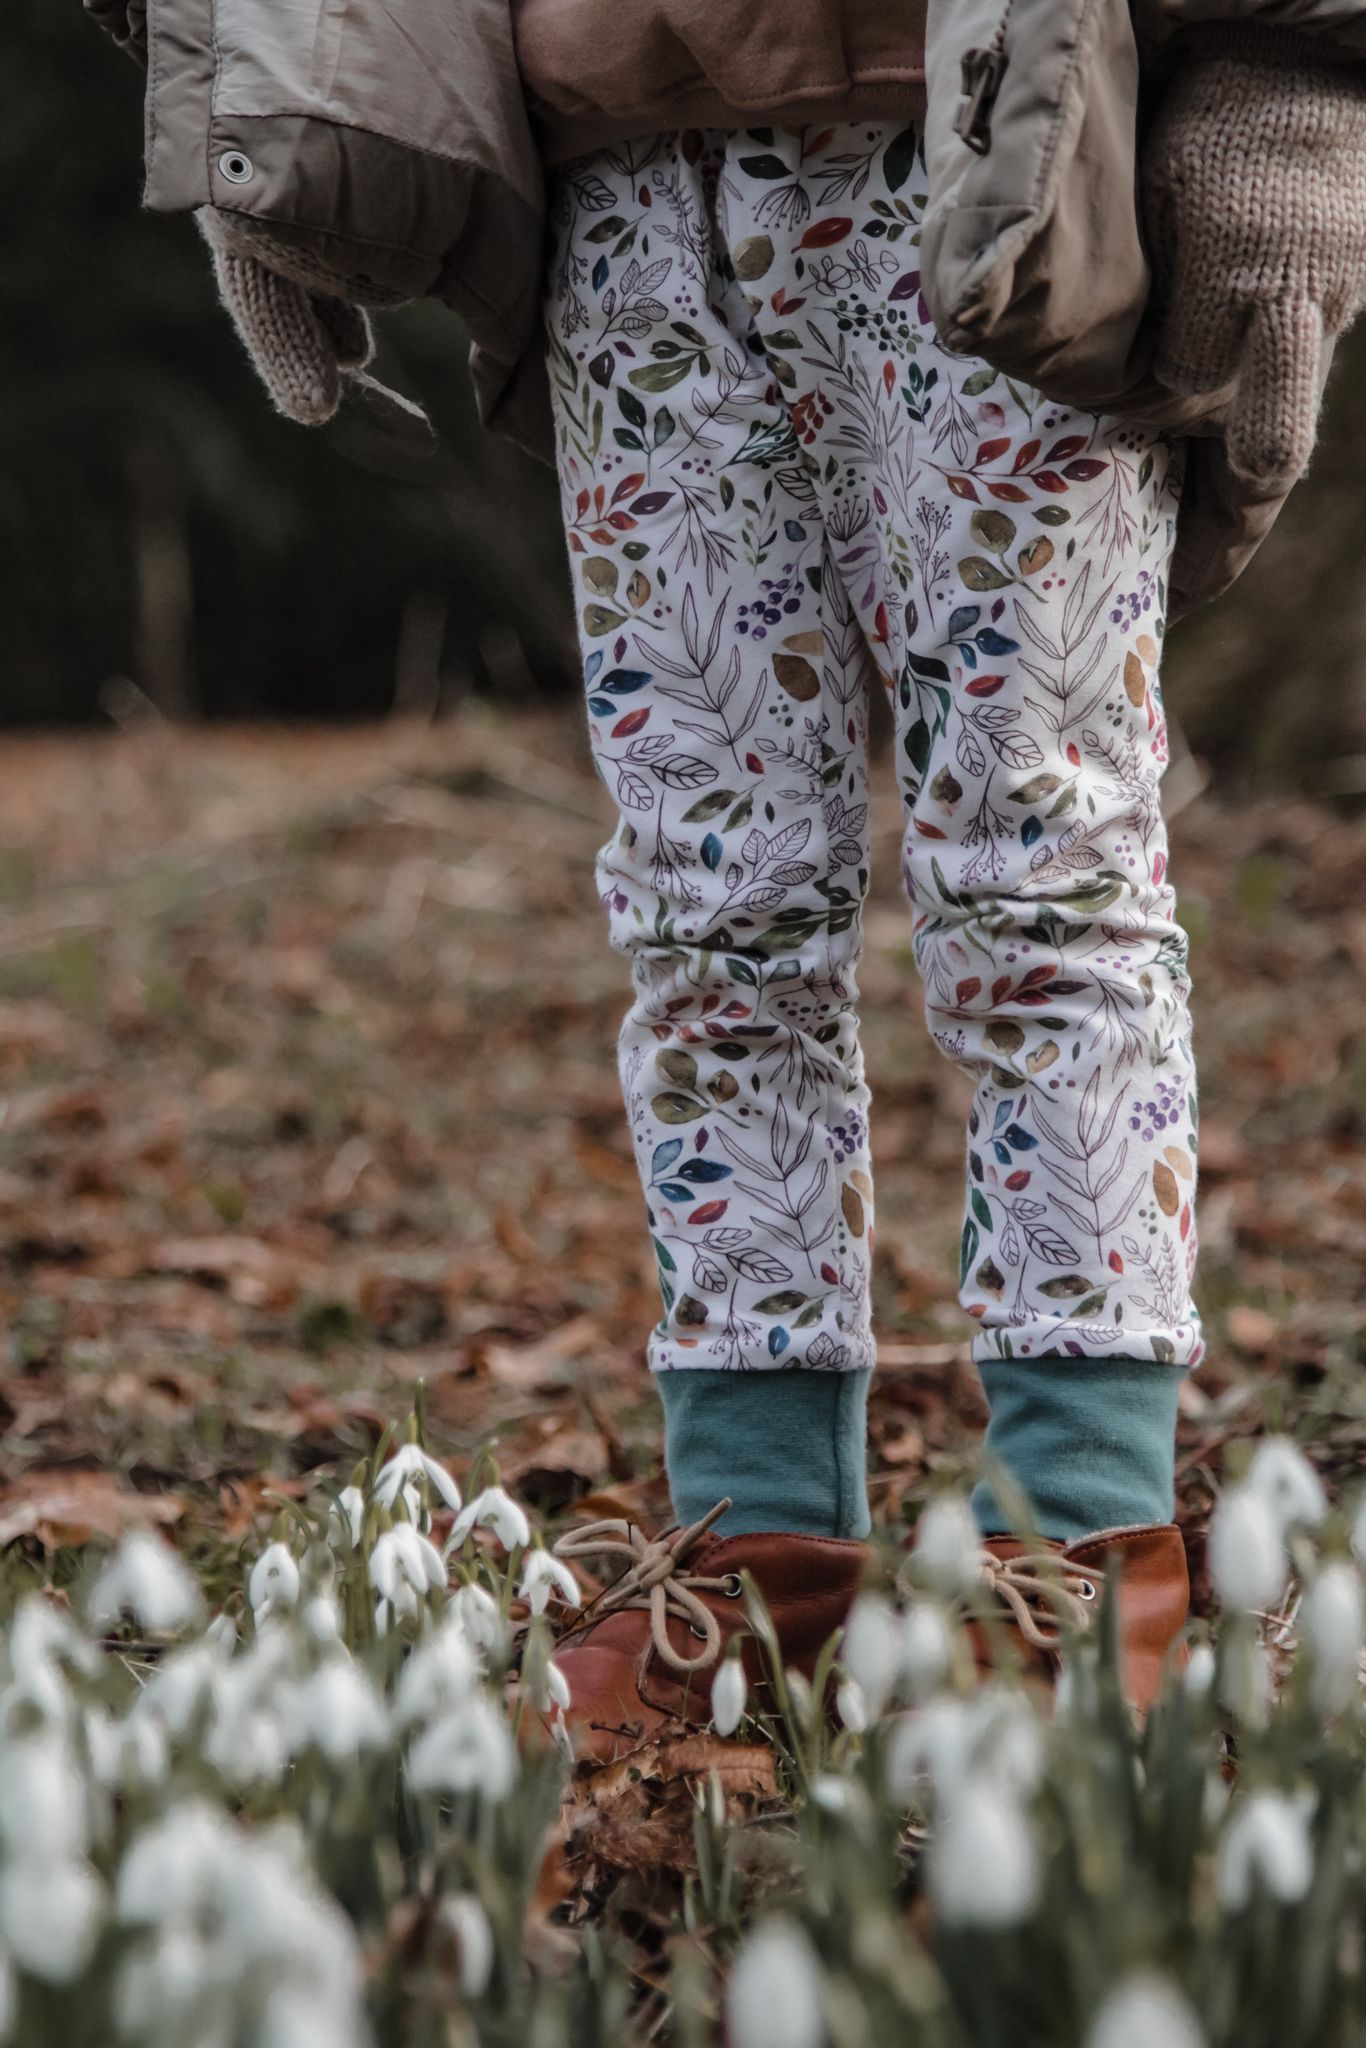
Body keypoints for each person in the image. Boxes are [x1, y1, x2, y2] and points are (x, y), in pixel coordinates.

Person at [88, 0, 1366, 1749]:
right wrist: (272, 70)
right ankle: (757, 1552)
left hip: (988, 161)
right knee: (704, 918)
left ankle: (1084, 1542)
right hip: (622, 222)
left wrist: (1291, 86)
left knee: (1043, 885)